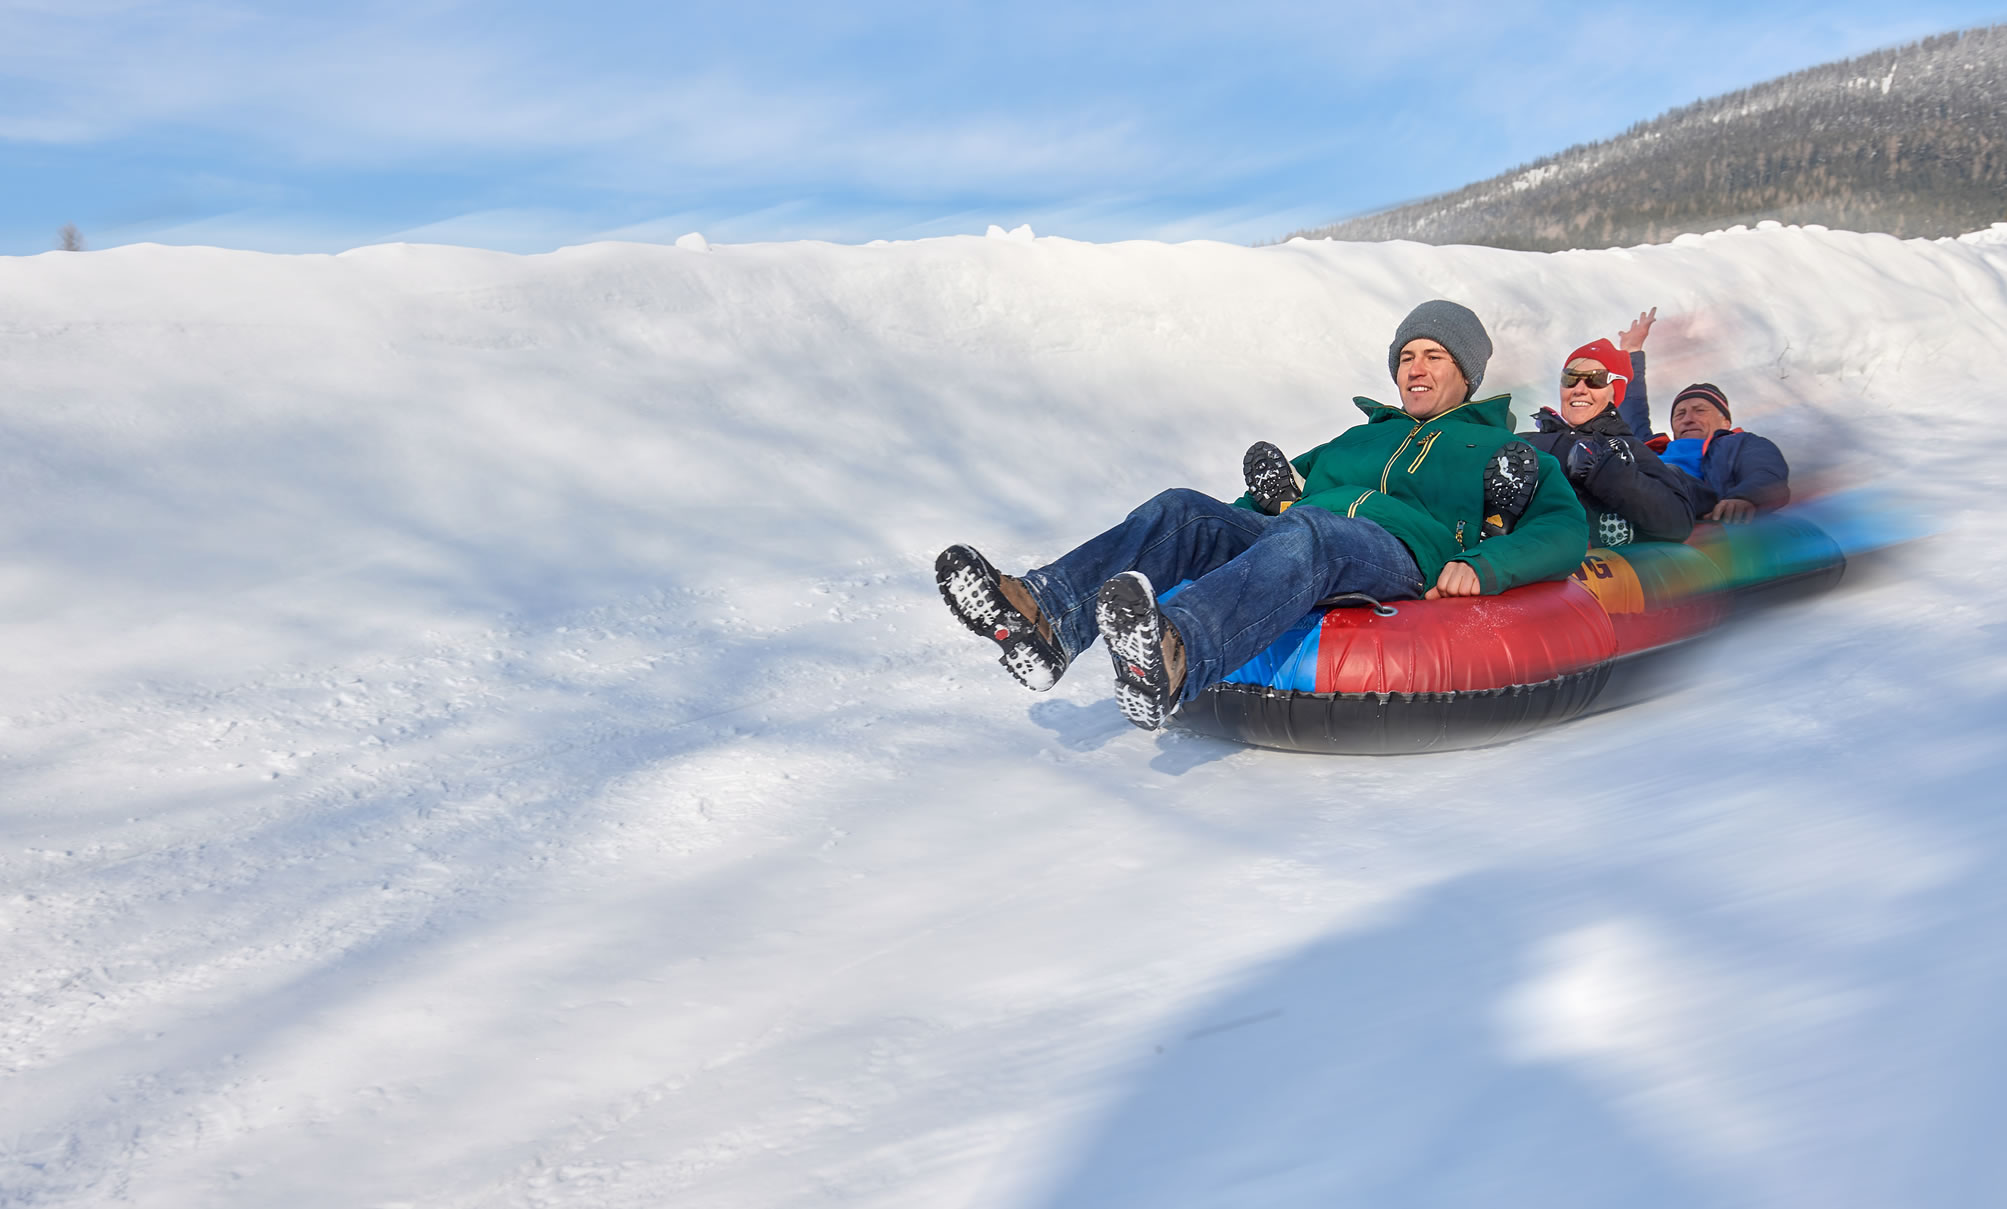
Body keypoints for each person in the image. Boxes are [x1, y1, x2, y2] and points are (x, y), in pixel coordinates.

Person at [934, 300, 1589, 732]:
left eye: (1433, 356)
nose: (1414, 368)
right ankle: (1043, 618)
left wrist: (1484, 564)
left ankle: (1174, 654)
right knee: (1183, 509)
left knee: (1311, 529)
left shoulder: (1497, 449)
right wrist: (1217, 535)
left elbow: (1564, 526)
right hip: (1303, 533)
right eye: (1406, 357)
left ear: (1465, 373)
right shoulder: (1352, 440)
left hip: (1395, 552)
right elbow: (1261, 506)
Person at [1521, 313, 1708, 547]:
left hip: (1588, 570)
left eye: (1595, 379)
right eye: (1570, 378)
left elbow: (1677, 521)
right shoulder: (1527, 442)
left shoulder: (1626, 448)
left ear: (1614, 392)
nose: (1579, 388)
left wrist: (1602, 469)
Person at [1613, 309, 1791, 522]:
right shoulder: (1650, 449)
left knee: (1663, 473)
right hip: (1642, 492)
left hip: (1689, 501)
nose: (1688, 418)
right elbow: (1631, 410)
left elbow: (1764, 472)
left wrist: (1744, 498)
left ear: (1725, 421)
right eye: (1680, 414)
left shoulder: (1742, 444)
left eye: (1700, 410)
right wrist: (1631, 351)